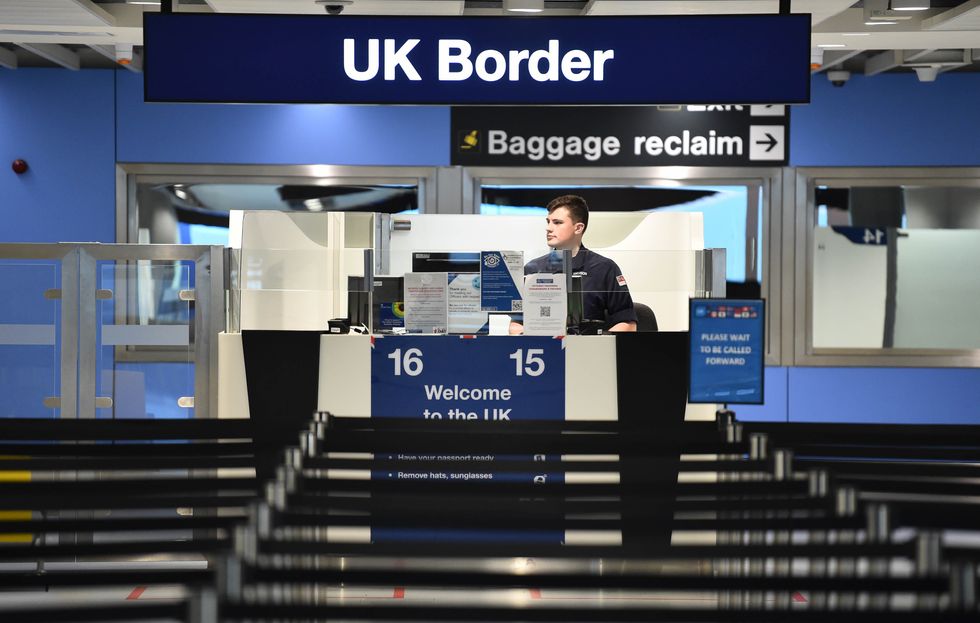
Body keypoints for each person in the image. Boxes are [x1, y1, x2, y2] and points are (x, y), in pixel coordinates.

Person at [519, 194, 637, 333]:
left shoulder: (604, 268)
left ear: (578, 228)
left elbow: (628, 324)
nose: (548, 228)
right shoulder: (533, 269)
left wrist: (597, 344)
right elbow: (516, 324)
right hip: (543, 350)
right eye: (548, 221)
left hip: (589, 350)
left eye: (557, 222)